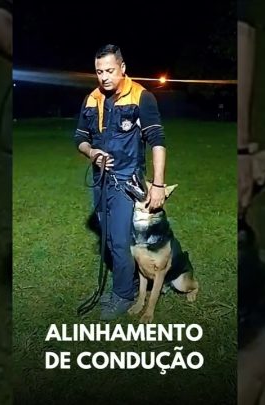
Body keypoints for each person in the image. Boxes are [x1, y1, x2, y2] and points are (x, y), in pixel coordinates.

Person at [74, 44, 168, 321]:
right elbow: (79, 138)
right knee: (108, 237)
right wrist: (92, 152)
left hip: (127, 182)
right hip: (99, 181)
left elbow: (157, 141)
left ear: (122, 68)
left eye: (110, 70)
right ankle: (128, 284)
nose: (104, 77)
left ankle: (124, 294)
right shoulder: (91, 99)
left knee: (119, 239)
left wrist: (158, 185)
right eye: (99, 71)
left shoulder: (142, 97)